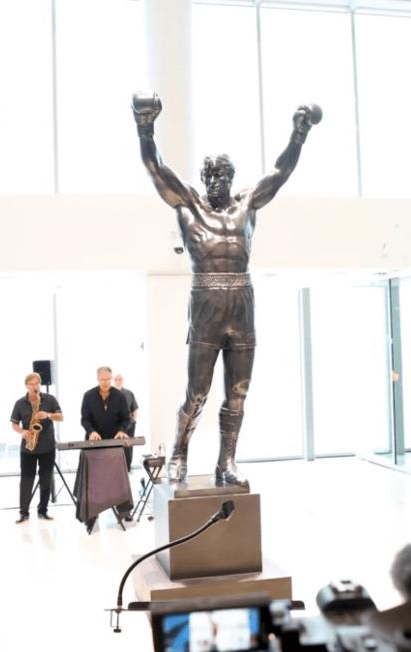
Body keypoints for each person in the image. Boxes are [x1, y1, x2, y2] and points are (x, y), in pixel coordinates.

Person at [133, 92, 320, 486]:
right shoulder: (189, 204)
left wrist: (298, 134)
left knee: (238, 391)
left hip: (241, 303)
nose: (220, 181)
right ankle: (179, 452)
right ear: (204, 179)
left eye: (225, 175)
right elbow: (155, 168)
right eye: (214, 175)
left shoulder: (246, 205)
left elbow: (280, 172)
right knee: (197, 391)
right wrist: (144, 126)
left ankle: (227, 461)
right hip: (206, 303)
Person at [80, 366, 134, 521]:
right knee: (94, 478)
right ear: (97, 379)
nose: (106, 382)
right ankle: (92, 513)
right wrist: (91, 431)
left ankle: (124, 511)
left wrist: (122, 430)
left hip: (114, 441)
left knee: (119, 477)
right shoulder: (88, 396)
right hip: (94, 441)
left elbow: (126, 418)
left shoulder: (119, 396)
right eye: (103, 379)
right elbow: (84, 419)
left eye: (108, 379)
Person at [10, 372, 63, 523]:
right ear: (26, 386)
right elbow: (14, 424)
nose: (35, 387)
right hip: (28, 447)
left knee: (46, 479)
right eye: (31, 384)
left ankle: (43, 510)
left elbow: (61, 417)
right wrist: (22, 431)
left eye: (37, 383)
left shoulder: (50, 399)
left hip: (47, 447)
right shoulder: (20, 403)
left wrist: (48, 415)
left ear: (40, 384)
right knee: (26, 480)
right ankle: (23, 512)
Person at [112, 372, 139, 438]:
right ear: (113, 381)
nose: (118, 381)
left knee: (129, 444)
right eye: (116, 379)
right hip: (114, 426)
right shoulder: (109, 394)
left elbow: (135, 409)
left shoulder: (129, 393)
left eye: (120, 379)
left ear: (123, 380)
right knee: (114, 444)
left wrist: (133, 422)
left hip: (129, 426)